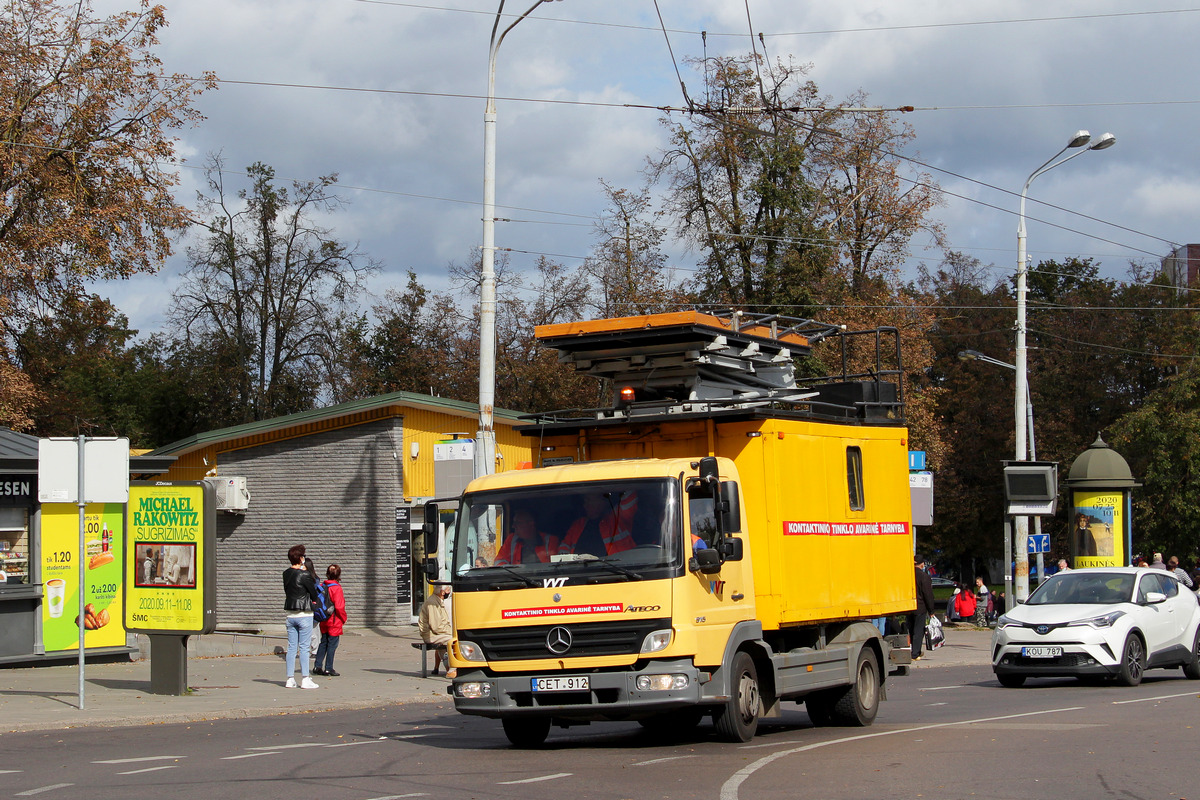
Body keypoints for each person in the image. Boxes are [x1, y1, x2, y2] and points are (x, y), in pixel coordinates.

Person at [282, 544, 320, 689]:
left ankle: (290, 679)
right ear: (301, 558)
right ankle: (305, 678)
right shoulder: (305, 575)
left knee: (292, 647)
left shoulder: (286, 573)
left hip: (290, 614)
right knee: (304, 647)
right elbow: (313, 593)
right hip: (305, 613)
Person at [558, 492, 637, 557]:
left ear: (603, 501)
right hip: (580, 573)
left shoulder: (617, 518)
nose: (585, 505)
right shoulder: (578, 524)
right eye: (585, 501)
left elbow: (630, 496)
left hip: (617, 572)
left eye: (588, 500)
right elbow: (564, 548)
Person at [313, 564, 347, 677]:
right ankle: (329, 668)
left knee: (323, 642)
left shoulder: (322, 586)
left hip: (323, 618)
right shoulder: (337, 588)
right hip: (334, 620)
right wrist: (343, 618)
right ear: (339, 575)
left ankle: (317, 666)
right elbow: (339, 607)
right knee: (332, 644)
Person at [493, 509, 560, 565]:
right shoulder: (511, 539)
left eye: (518, 523)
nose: (513, 526)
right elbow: (499, 561)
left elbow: (556, 566)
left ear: (531, 524)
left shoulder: (550, 540)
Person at [419, 583, 456, 678]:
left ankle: (449, 668)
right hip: (431, 635)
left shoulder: (437, 601)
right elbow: (436, 626)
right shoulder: (432, 603)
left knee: (448, 642)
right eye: (448, 590)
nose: (449, 592)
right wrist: (452, 633)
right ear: (442, 592)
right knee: (454, 640)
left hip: (435, 633)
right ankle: (452, 669)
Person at [908, 555, 935, 661]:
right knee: (918, 631)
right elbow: (928, 594)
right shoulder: (924, 577)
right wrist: (931, 610)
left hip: (909, 606)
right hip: (920, 607)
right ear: (922, 564)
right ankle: (915, 653)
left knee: (911, 629)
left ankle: (913, 650)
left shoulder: (908, 575)